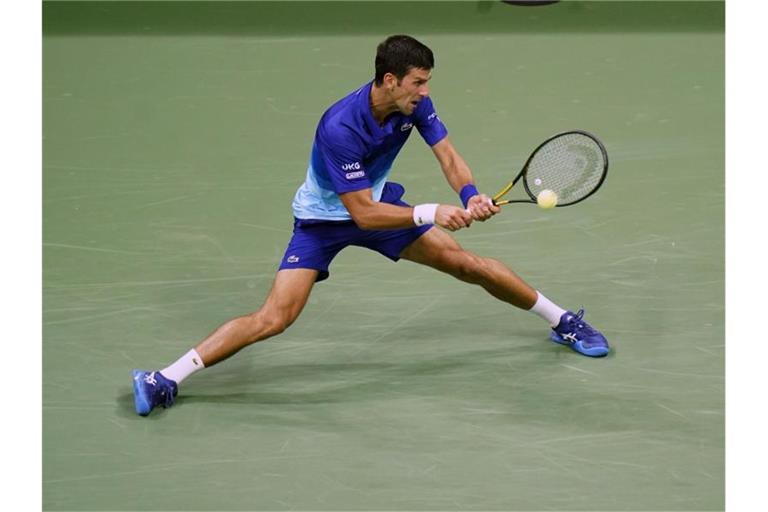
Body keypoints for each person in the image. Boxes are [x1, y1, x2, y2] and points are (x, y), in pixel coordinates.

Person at [132, 35, 609, 417]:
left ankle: (562, 320)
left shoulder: (414, 105)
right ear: (389, 79)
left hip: (380, 207)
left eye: (426, 82)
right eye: (417, 82)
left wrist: (469, 195)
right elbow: (361, 215)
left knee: (467, 265)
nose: (424, 91)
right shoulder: (340, 127)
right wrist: (430, 212)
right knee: (274, 318)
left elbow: (447, 154)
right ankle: (165, 378)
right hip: (324, 222)